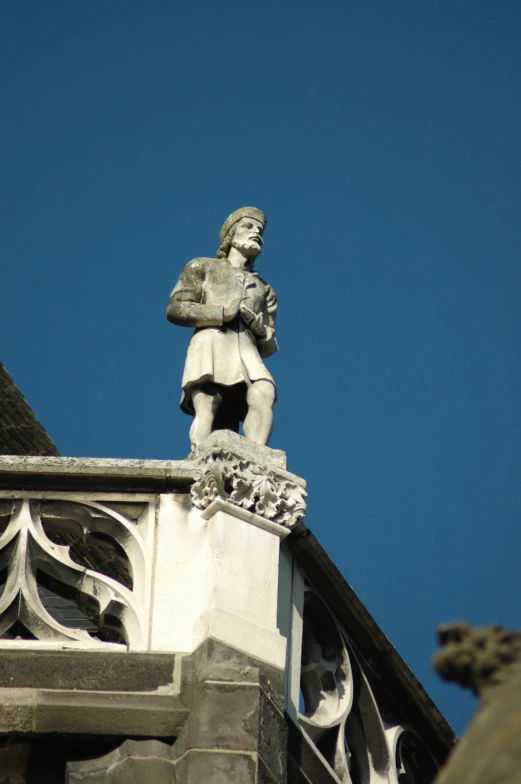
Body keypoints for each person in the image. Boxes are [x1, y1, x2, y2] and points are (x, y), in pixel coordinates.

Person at [167, 207, 278, 449]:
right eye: (248, 226)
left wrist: (261, 331)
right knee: (208, 402)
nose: (256, 232)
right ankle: (201, 454)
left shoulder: (264, 288)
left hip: (248, 350)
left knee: (263, 392)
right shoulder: (202, 267)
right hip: (212, 342)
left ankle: (257, 457)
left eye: (260, 229)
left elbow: (269, 343)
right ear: (230, 235)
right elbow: (176, 309)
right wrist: (221, 314)